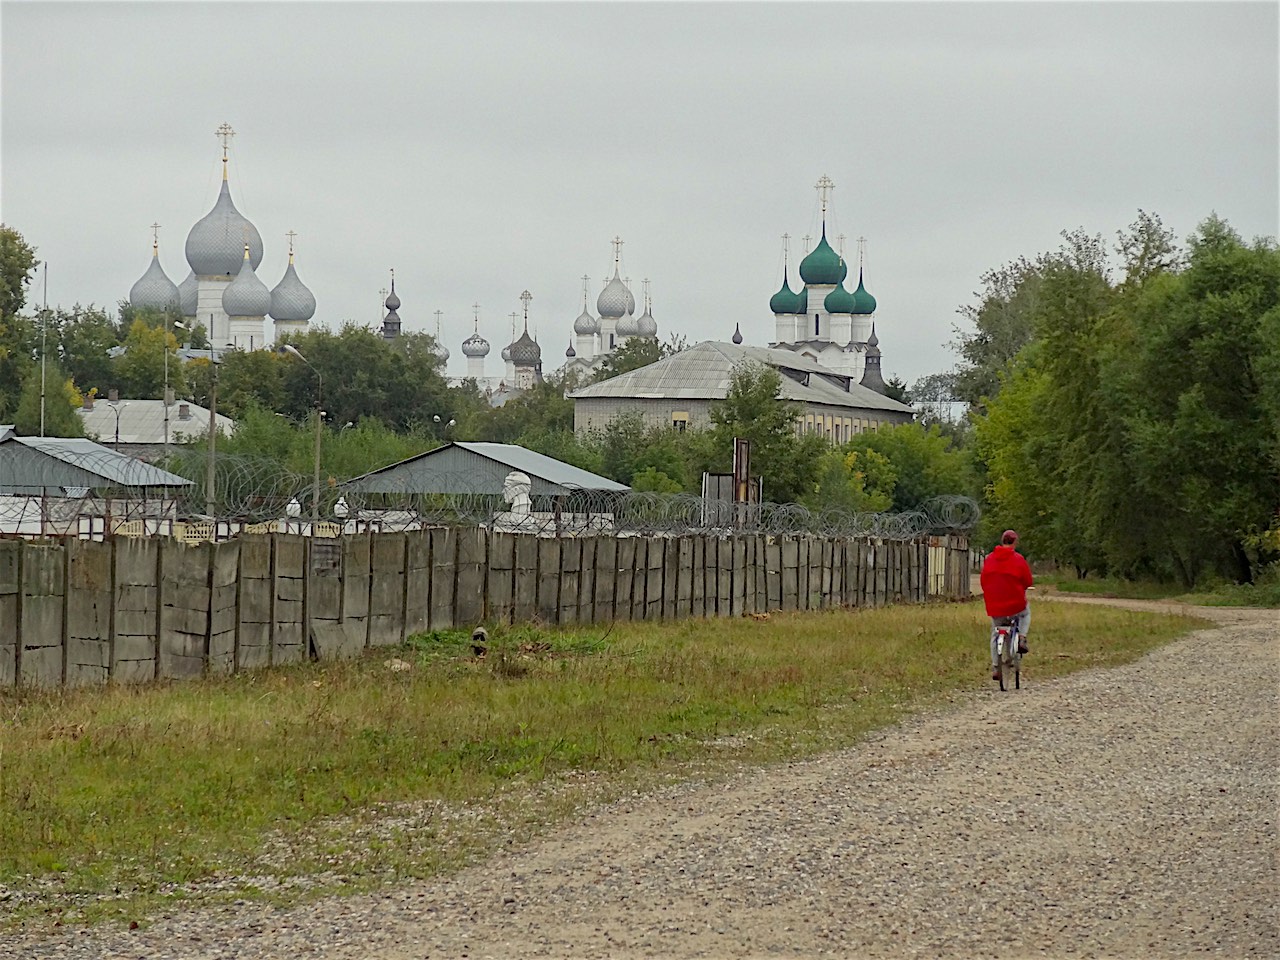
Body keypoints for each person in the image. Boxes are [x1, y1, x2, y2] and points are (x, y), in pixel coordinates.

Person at [980, 529, 1033, 681]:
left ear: (1002, 541)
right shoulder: (1018, 559)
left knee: (996, 632)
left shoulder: (989, 559)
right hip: (1015, 604)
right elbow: (1028, 581)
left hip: (995, 606)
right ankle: (1022, 638)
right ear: (1015, 542)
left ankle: (996, 666)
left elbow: (984, 581)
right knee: (1025, 613)